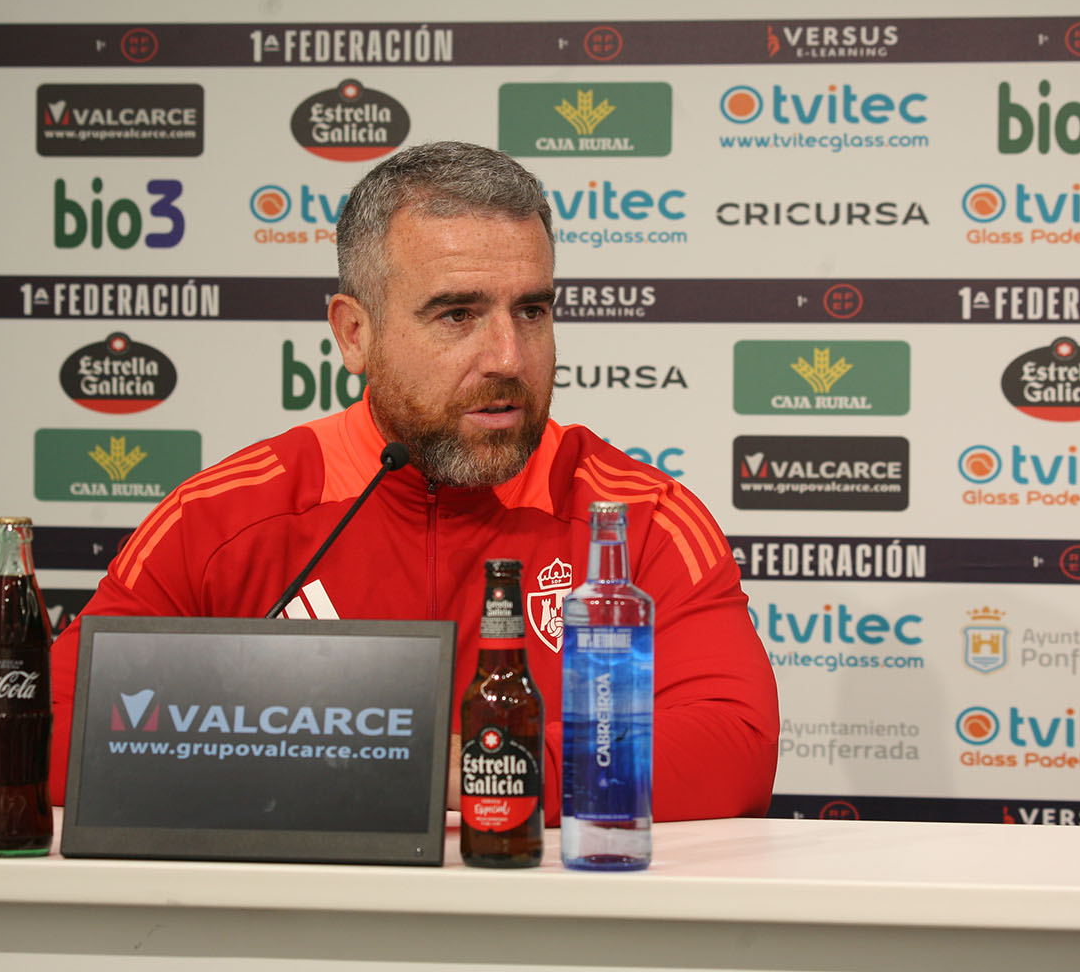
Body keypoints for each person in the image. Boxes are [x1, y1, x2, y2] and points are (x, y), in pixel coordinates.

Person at [47, 141, 779, 822]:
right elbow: (51, 731)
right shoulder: (226, 517)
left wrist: (448, 770)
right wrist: (348, 765)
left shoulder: (636, 517)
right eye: (457, 314)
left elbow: (732, 747)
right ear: (353, 333)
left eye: (532, 311)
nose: (507, 356)